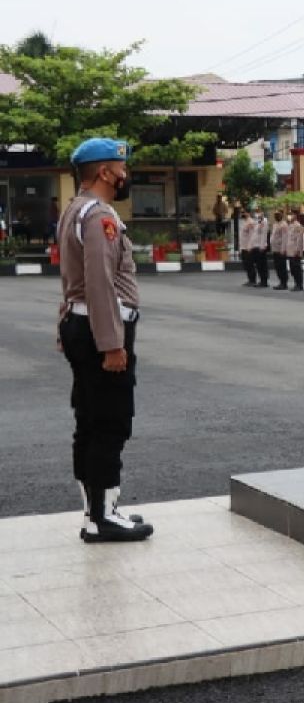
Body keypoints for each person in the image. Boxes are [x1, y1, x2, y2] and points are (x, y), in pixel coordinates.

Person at [57, 138, 153, 542]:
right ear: (103, 172)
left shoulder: (74, 210)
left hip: (84, 324)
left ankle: (94, 511)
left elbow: (72, 282)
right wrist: (112, 343)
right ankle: (103, 516)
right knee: (109, 421)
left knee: (90, 419)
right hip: (103, 329)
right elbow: (98, 282)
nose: (125, 174)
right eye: (120, 166)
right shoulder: (99, 216)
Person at [286, 210, 304, 291]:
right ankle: (296, 283)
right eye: (289, 215)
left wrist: (297, 249)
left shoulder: (298, 226)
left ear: (296, 216)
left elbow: (299, 239)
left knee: (297, 268)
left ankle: (299, 285)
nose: (290, 216)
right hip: (290, 250)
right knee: (292, 269)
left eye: (292, 215)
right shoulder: (290, 225)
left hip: (295, 250)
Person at [270, 210, 289, 290]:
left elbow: (285, 238)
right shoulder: (275, 224)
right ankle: (281, 281)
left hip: (280, 249)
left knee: (282, 267)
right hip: (275, 249)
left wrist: (283, 249)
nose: (276, 216)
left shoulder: (284, 225)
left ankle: (284, 283)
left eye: (278, 214)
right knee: (277, 266)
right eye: (275, 214)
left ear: (282, 215)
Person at [251, 210, 269, 287]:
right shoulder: (258, 222)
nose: (257, 214)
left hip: (261, 247)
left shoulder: (264, 222)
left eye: (259, 213)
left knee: (262, 265)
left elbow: (264, 235)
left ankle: (264, 281)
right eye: (257, 213)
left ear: (263, 214)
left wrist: (262, 246)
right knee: (258, 265)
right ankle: (261, 280)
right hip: (256, 246)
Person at [238, 210, 256, 286]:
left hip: (248, 247)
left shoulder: (251, 222)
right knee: (246, 264)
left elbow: (252, 236)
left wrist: (250, 246)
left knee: (250, 264)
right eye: (242, 212)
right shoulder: (244, 222)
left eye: (244, 212)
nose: (243, 214)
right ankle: (249, 279)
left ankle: (252, 280)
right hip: (243, 246)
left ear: (248, 213)